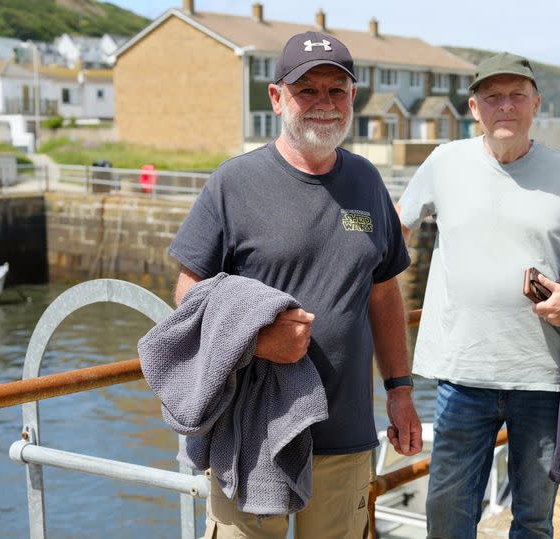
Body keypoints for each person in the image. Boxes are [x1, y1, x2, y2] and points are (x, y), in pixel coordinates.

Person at [169, 31, 422, 539]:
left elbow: (383, 293)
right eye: (307, 90)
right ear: (277, 96)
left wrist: (399, 390)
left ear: (353, 97)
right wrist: (257, 338)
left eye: (337, 90)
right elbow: (187, 295)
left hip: (345, 433)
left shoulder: (368, 182)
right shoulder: (233, 183)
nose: (323, 104)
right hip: (252, 432)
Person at [397, 52, 560, 538]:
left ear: (536, 104)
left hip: (543, 375)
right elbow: (396, 230)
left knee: (534, 520)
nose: (506, 107)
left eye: (517, 95)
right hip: (462, 373)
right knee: (449, 517)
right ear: (474, 107)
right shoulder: (444, 162)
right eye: (493, 97)